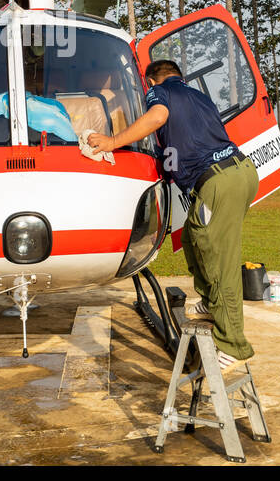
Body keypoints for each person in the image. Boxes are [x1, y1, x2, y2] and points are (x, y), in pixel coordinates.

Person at [88, 59, 259, 368]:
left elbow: (158, 117)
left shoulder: (160, 92)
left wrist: (113, 142)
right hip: (241, 172)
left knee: (219, 260)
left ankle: (232, 343)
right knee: (195, 237)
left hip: (219, 181)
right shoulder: (199, 97)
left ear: (152, 82)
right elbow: (186, 141)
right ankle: (209, 301)